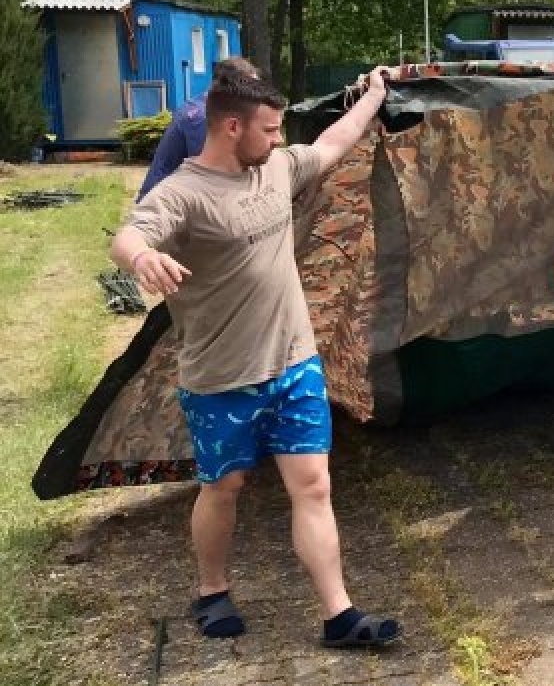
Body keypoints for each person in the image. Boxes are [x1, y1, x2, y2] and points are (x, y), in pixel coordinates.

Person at [110, 68, 402, 648]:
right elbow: (129, 235)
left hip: (294, 364)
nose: (277, 140)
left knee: (313, 486)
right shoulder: (184, 194)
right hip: (221, 379)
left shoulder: (275, 168)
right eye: (268, 129)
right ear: (231, 125)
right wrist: (141, 259)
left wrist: (373, 96)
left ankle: (338, 614)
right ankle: (212, 590)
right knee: (225, 487)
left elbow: (330, 145)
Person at [137, 57, 262, 200]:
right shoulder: (201, 117)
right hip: (164, 205)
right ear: (230, 88)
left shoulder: (209, 107)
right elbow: (213, 173)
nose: (256, 96)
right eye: (251, 88)